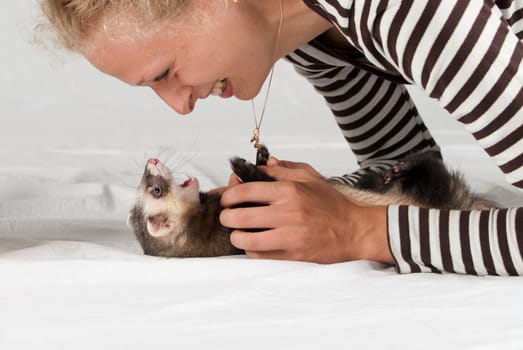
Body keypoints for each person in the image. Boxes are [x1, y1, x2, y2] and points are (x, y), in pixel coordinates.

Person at [38, 0, 523, 276]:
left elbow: (385, 217)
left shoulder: (403, 9)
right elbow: (409, 166)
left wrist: (362, 231)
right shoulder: (309, 36)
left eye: (166, 72)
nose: (179, 105)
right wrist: (324, 201)